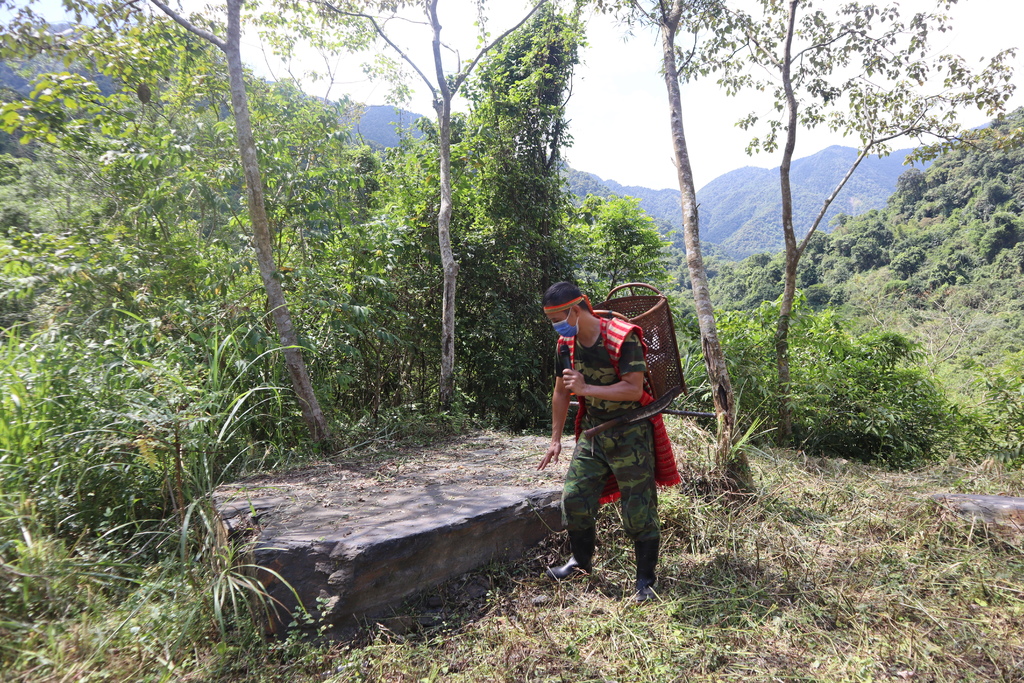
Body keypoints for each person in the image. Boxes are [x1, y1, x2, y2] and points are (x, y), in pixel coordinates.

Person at [539, 281, 679, 602]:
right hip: (594, 432)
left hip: (630, 432)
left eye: (558, 318)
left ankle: (645, 580)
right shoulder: (566, 345)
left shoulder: (620, 337)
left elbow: (632, 388)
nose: (557, 327)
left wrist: (587, 389)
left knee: (638, 507)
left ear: (575, 310)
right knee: (574, 497)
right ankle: (579, 562)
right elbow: (561, 392)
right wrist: (555, 439)